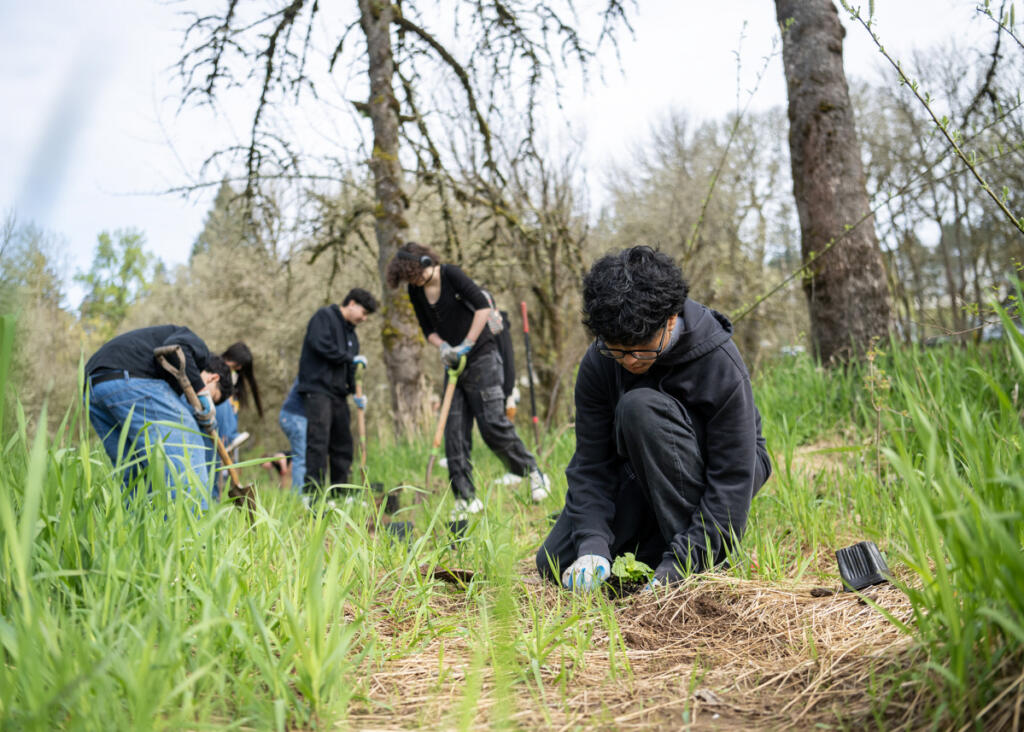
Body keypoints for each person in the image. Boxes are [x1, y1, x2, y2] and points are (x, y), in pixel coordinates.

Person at [536, 246, 771, 590]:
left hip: (716, 471)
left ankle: (699, 562)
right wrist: (592, 547)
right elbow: (591, 464)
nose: (630, 361)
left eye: (641, 347)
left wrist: (682, 565)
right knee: (554, 564)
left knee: (639, 407)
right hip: (637, 466)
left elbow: (733, 476)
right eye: (617, 349)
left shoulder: (721, 363)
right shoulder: (599, 362)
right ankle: (649, 551)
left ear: (671, 318)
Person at [386, 242, 549, 514]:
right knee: (454, 433)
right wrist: (443, 347)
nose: (414, 282)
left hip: (482, 357)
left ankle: (533, 472)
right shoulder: (415, 291)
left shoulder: (451, 275)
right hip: (454, 366)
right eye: (409, 279)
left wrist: (466, 343)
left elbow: (483, 307)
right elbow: (427, 329)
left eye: (415, 275)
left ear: (426, 262)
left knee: (492, 425)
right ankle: (465, 499)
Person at [84, 324, 234, 508]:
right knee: (189, 441)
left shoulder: (171, 377)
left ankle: (135, 531)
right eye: (213, 397)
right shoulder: (200, 351)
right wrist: (202, 392)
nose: (206, 403)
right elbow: (177, 347)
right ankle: (193, 530)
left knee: (135, 469)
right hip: (130, 377)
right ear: (213, 378)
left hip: (95, 387)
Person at [298, 288, 378, 495]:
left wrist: (356, 393)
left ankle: (340, 493)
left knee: (343, 443)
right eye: (364, 312)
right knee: (319, 443)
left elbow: (349, 368)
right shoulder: (324, 317)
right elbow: (320, 345)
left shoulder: (352, 336)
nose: (365, 318)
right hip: (317, 390)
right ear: (351, 303)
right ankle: (313, 495)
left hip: (338, 394)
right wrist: (349, 358)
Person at [278, 377, 307, 491]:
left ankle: (299, 494)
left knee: (301, 457)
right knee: (301, 458)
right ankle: (299, 497)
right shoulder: (311, 371)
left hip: (293, 416)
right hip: (295, 417)